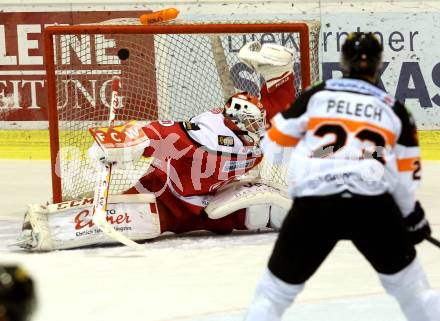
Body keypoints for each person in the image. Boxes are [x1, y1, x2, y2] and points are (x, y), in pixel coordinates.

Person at [16, 41, 296, 251]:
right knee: (132, 218)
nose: (259, 131)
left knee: (261, 210)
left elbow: (279, 105)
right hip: (167, 194)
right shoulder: (203, 137)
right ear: (233, 123)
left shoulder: (258, 125)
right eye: (252, 126)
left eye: (259, 123)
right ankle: (48, 227)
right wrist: (118, 143)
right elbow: (152, 132)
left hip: (212, 198)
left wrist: (280, 70)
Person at [244, 32, 440, 321]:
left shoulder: (318, 95)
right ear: (378, 66)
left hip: (315, 204)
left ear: (343, 64)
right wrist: (413, 218)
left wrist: (324, 150)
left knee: (272, 295)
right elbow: (405, 178)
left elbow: (273, 142)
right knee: (415, 293)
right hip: (372, 206)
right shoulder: (394, 109)